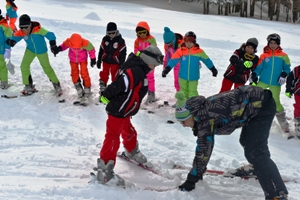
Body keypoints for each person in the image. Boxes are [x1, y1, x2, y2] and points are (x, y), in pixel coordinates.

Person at [175, 86, 288, 200]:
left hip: (261, 106)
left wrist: (192, 179)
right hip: (255, 104)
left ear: (191, 116)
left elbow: (204, 150)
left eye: (183, 121)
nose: (184, 125)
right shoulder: (201, 110)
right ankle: (258, 167)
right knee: (246, 142)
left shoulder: (205, 118)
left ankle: (278, 193)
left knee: (256, 152)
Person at [95, 45, 163, 187]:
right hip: (118, 111)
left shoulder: (140, 70)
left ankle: (131, 151)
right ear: (147, 60)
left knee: (129, 131)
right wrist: (105, 96)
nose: (153, 68)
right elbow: (118, 85)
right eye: (153, 64)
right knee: (112, 137)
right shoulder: (135, 71)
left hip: (125, 111)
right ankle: (104, 170)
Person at [6, 14, 63, 96]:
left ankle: (57, 85)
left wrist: (53, 44)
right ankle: (28, 86)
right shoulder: (22, 32)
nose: (24, 30)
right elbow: (16, 37)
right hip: (30, 50)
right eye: (22, 27)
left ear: (30, 25)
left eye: (26, 27)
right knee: (24, 66)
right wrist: (12, 41)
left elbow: (50, 35)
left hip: (41, 51)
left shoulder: (38, 30)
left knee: (47, 68)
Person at [251, 33, 291, 133]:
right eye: (271, 43)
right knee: (256, 97)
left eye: (275, 43)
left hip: (275, 83)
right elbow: (259, 68)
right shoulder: (264, 56)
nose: (273, 45)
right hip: (263, 81)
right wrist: (254, 75)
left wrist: (283, 74)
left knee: (276, 101)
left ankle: (283, 122)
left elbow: (287, 68)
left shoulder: (283, 56)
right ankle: (253, 116)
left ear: (278, 44)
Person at [162, 31, 218, 98]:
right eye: (186, 40)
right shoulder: (180, 51)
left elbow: (207, 61)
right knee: (183, 92)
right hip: (182, 77)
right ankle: (182, 105)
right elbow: (173, 61)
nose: (188, 42)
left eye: (190, 40)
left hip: (193, 77)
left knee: (192, 93)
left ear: (194, 41)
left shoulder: (199, 52)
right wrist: (167, 69)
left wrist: (213, 69)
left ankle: (193, 105)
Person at [53, 33, 96, 97]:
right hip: (73, 59)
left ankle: (87, 86)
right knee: (74, 73)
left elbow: (91, 50)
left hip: (83, 59)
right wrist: (58, 49)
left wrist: (93, 59)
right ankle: (78, 86)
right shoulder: (69, 41)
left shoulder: (85, 43)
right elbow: (64, 45)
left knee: (84, 72)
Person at [97, 22, 126, 99]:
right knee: (104, 74)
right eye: (109, 33)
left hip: (115, 63)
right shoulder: (105, 39)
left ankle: (113, 92)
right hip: (106, 61)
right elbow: (101, 50)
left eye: (113, 33)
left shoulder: (120, 41)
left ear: (116, 31)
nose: (111, 35)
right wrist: (99, 60)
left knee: (115, 77)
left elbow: (123, 53)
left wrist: (122, 64)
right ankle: (102, 90)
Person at [134, 21, 158, 104]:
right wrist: (139, 54)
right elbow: (136, 51)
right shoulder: (137, 41)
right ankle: (142, 92)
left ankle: (151, 93)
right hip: (142, 62)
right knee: (142, 78)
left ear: (147, 31)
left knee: (150, 78)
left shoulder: (151, 39)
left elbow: (154, 49)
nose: (142, 34)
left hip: (150, 62)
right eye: (140, 33)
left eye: (144, 32)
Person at [163, 26, 183, 92]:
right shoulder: (167, 46)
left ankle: (187, 96)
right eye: (167, 43)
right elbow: (167, 57)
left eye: (170, 43)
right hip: (176, 66)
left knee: (184, 82)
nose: (169, 45)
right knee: (177, 82)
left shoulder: (182, 44)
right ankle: (180, 95)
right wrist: (165, 68)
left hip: (184, 66)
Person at [286, 65, 300, 139]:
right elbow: (290, 78)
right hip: (298, 93)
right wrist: (288, 88)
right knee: (299, 108)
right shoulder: (298, 69)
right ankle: (298, 124)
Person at [0, 10, 13, 89]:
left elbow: (8, 38)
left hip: (0, 50)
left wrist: (7, 50)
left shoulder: (4, 26)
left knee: (1, 66)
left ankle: (4, 83)